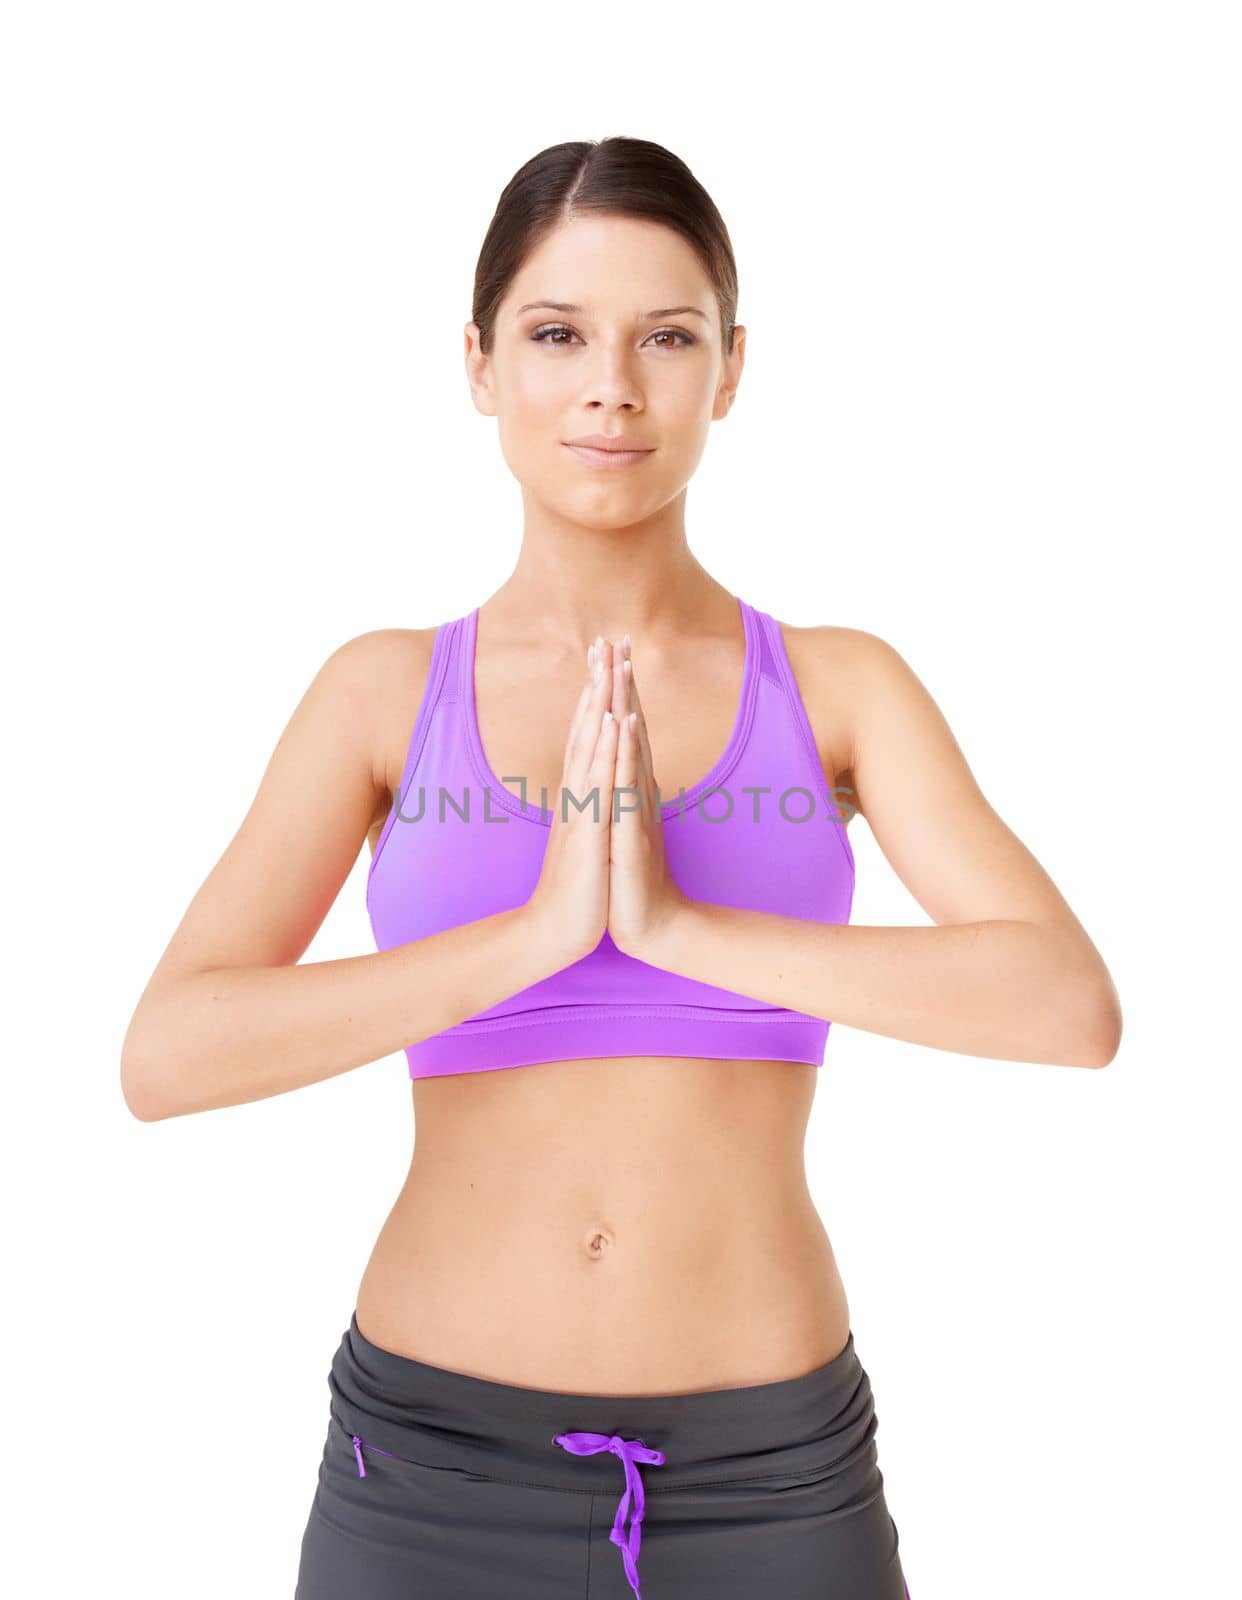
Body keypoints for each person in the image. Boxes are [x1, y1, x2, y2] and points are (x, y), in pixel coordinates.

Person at [121, 136, 1122, 1600]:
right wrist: (533, 934)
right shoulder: (380, 693)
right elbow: (166, 1056)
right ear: (476, 363)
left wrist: (673, 925)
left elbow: (1064, 1008)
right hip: (428, 1467)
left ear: (729, 368)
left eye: (666, 336)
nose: (612, 386)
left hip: (769, 1471)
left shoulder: (840, 688)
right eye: (556, 335)